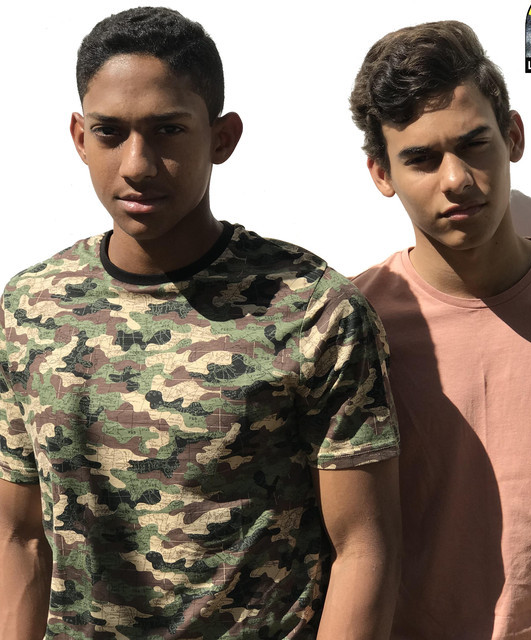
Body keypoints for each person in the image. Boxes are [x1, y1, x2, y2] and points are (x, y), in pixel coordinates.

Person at [0, 7, 401, 639]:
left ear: (222, 138)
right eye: (109, 133)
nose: (137, 164)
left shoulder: (312, 309)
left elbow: (365, 547)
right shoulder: (30, 307)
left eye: (167, 130)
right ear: (79, 137)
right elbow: (19, 535)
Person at [349, 20, 531, 640]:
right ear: (381, 173)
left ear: (513, 136)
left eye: (474, 143)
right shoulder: (351, 328)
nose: (456, 179)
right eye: (421, 159)